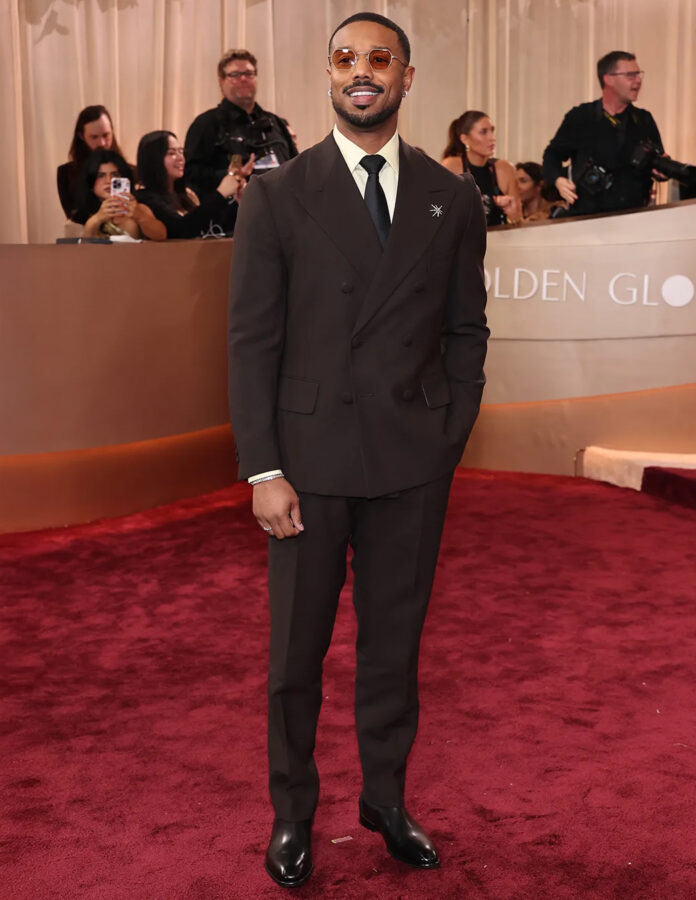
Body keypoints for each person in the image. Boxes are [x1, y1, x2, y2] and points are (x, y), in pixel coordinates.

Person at [228, 11, 488, 889]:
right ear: (328, 76)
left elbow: (466, 329)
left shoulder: (453, 197)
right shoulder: (277, 194)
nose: (361, 72)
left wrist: (449, 432)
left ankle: (384, 799)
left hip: (413, 463)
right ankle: (293, 814)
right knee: (296, 658)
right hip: (305, 465)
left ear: (408, 77)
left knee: (393, 649)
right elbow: (250, 343)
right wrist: (263, 468)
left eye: (380, 60)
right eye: (346, 60)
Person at [542, 51, 664, 216]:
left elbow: (659, 163)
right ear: (608, 79)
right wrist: (557, 180)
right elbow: (552, 155)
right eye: (631, 75)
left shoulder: (644, 119)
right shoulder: (581, 117)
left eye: (638, 74)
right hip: (588, 220)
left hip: (635, 218)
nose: (638, 80)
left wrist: (662, 169)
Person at [184, 49, 298, 197]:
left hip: (282, 211)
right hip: (234, 214)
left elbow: (296, 167)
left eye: (249, 73)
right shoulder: (206, 124)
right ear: (221, 81)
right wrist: (230, 175)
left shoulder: (275, 122)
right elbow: (191, 175)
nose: (243, 79)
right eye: (235, 75)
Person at [134, 131, 243, 239]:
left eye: (181, 151)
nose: (180, 158)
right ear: (153, 160)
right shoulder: (145, 198)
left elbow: (214, 227)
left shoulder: (186, 195)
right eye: (171, 153)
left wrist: (239, 201)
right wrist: (220, 194)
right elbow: (181, 229)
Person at [441, 110, 521, 225]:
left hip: (500, 240)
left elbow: (518, 222)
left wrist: (512, 213)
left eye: (492, 131)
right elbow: (436, 212)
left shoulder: (505, 169)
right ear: (465, 139)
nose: (492, 138)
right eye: (483, 132)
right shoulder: (451, 166)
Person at [72, 149, 165, 241]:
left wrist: (140, 216)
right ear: (90, 181)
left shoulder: (139, 209)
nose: (108, 181)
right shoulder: (81, 215)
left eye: (115, 174)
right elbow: (82, 248)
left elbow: (161, 236)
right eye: (101, 175)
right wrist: (97, 218)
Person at [57, 105, 125, 220]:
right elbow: (74, 217)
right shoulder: (67, 173)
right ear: (81, 136)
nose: (102, 143)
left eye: (106, 135)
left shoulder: (129, 170)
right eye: (94, 137)